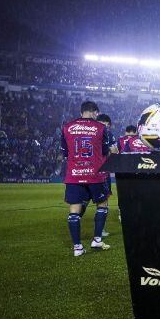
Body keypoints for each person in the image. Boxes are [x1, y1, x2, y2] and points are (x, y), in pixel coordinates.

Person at [60, 101, 112, 257]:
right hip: (95, 174)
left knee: (74, 211)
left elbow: (65, 154)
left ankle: (77, 248)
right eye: (96, 113)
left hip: (74, 175)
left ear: (82, 111)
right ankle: (97, 239)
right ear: (94, 112)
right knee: (102, 204)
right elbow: (104, 151)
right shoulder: (101, 128)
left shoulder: (67, 127)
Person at [96, 114, 118, 237]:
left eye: (106, 126)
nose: (104, 128)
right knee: (85, 201)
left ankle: (101, 229)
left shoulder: (109, 135)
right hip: (96, 173)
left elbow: (115, 152)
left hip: (101, 173)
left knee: (103, 202)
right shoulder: (105, 134)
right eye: (103, 125)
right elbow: (113, 151)